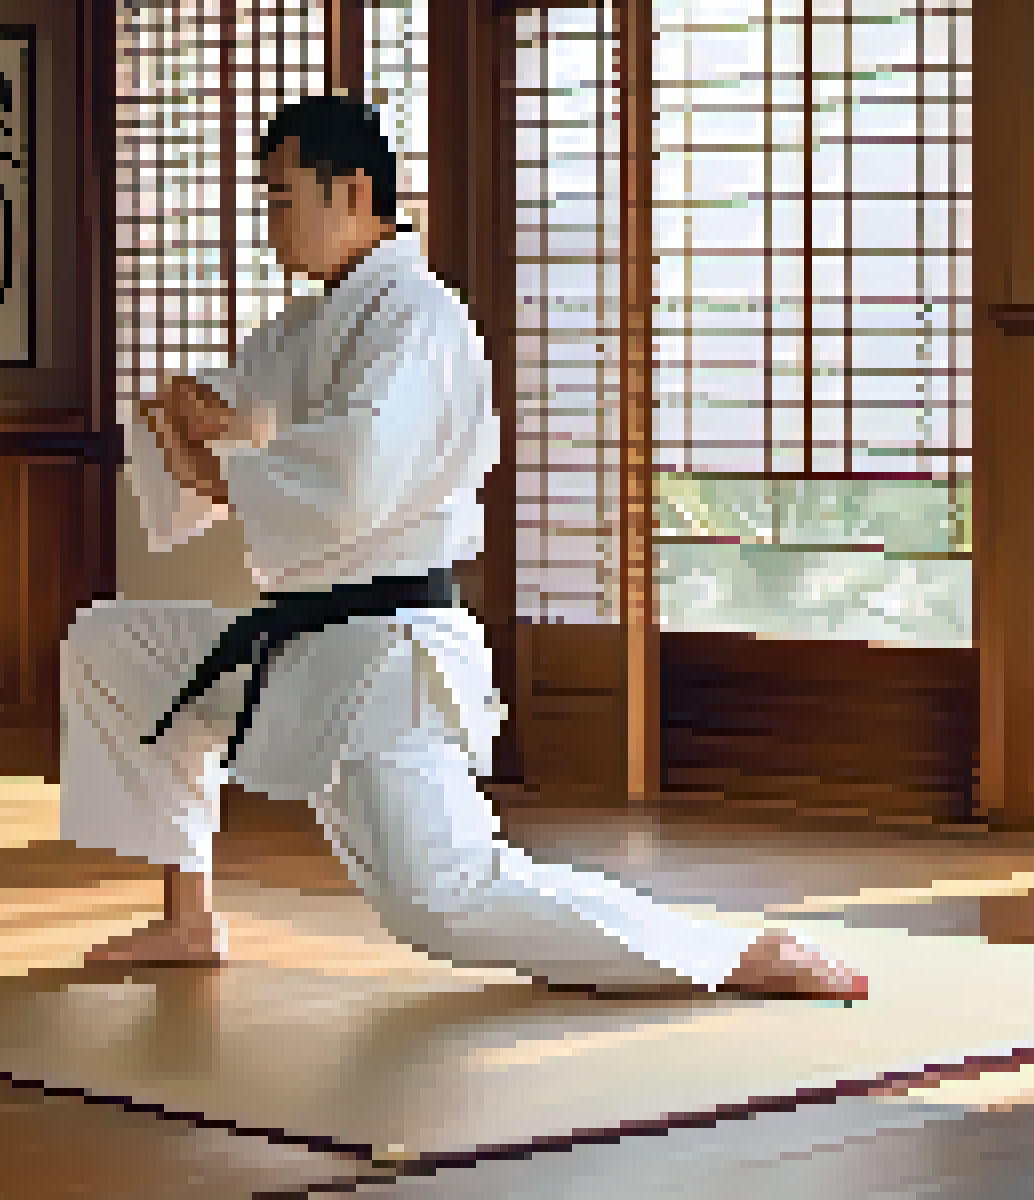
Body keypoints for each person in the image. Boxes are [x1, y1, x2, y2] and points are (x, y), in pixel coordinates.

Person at [58, 96, 867, 1000]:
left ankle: (731, 954)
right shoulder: (312, 325)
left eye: (283, 200)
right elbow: (227, 407)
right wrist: (189, 412)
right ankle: (188, 917)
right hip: (304, 643)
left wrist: (219, 467)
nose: (272, 224)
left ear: (350, 192)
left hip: (383, 660)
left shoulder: (419, 320)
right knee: (115, 646)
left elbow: (352, 481)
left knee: (444, 898)